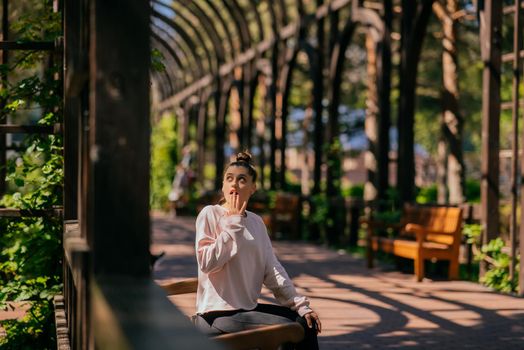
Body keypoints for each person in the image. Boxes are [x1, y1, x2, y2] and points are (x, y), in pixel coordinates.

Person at [193, 151, 321, 350]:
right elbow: (207, 263)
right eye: (229, 179)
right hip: (217, 314)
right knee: (289, 331)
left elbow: (272, 270)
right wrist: (233, 224)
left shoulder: (256, 222)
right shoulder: (210, 214)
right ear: (223, 186)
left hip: (247, 310)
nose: (234, 184)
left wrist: (300, 306)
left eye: (242, 180)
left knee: (306, 324)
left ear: (253, 188)